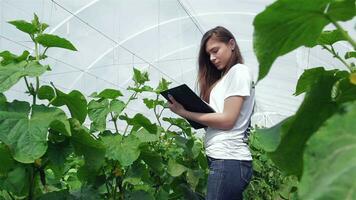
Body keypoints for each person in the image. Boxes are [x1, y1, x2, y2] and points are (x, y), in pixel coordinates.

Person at [167, 26, 254, 200]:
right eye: (208, 55)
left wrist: (185, 112)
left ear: (231, 44)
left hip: (229, 159)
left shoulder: (239, 71)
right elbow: (220, 120)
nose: (212, 58)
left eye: (215, 51)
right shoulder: (224, 78)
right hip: (223, 160)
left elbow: (227, 120)